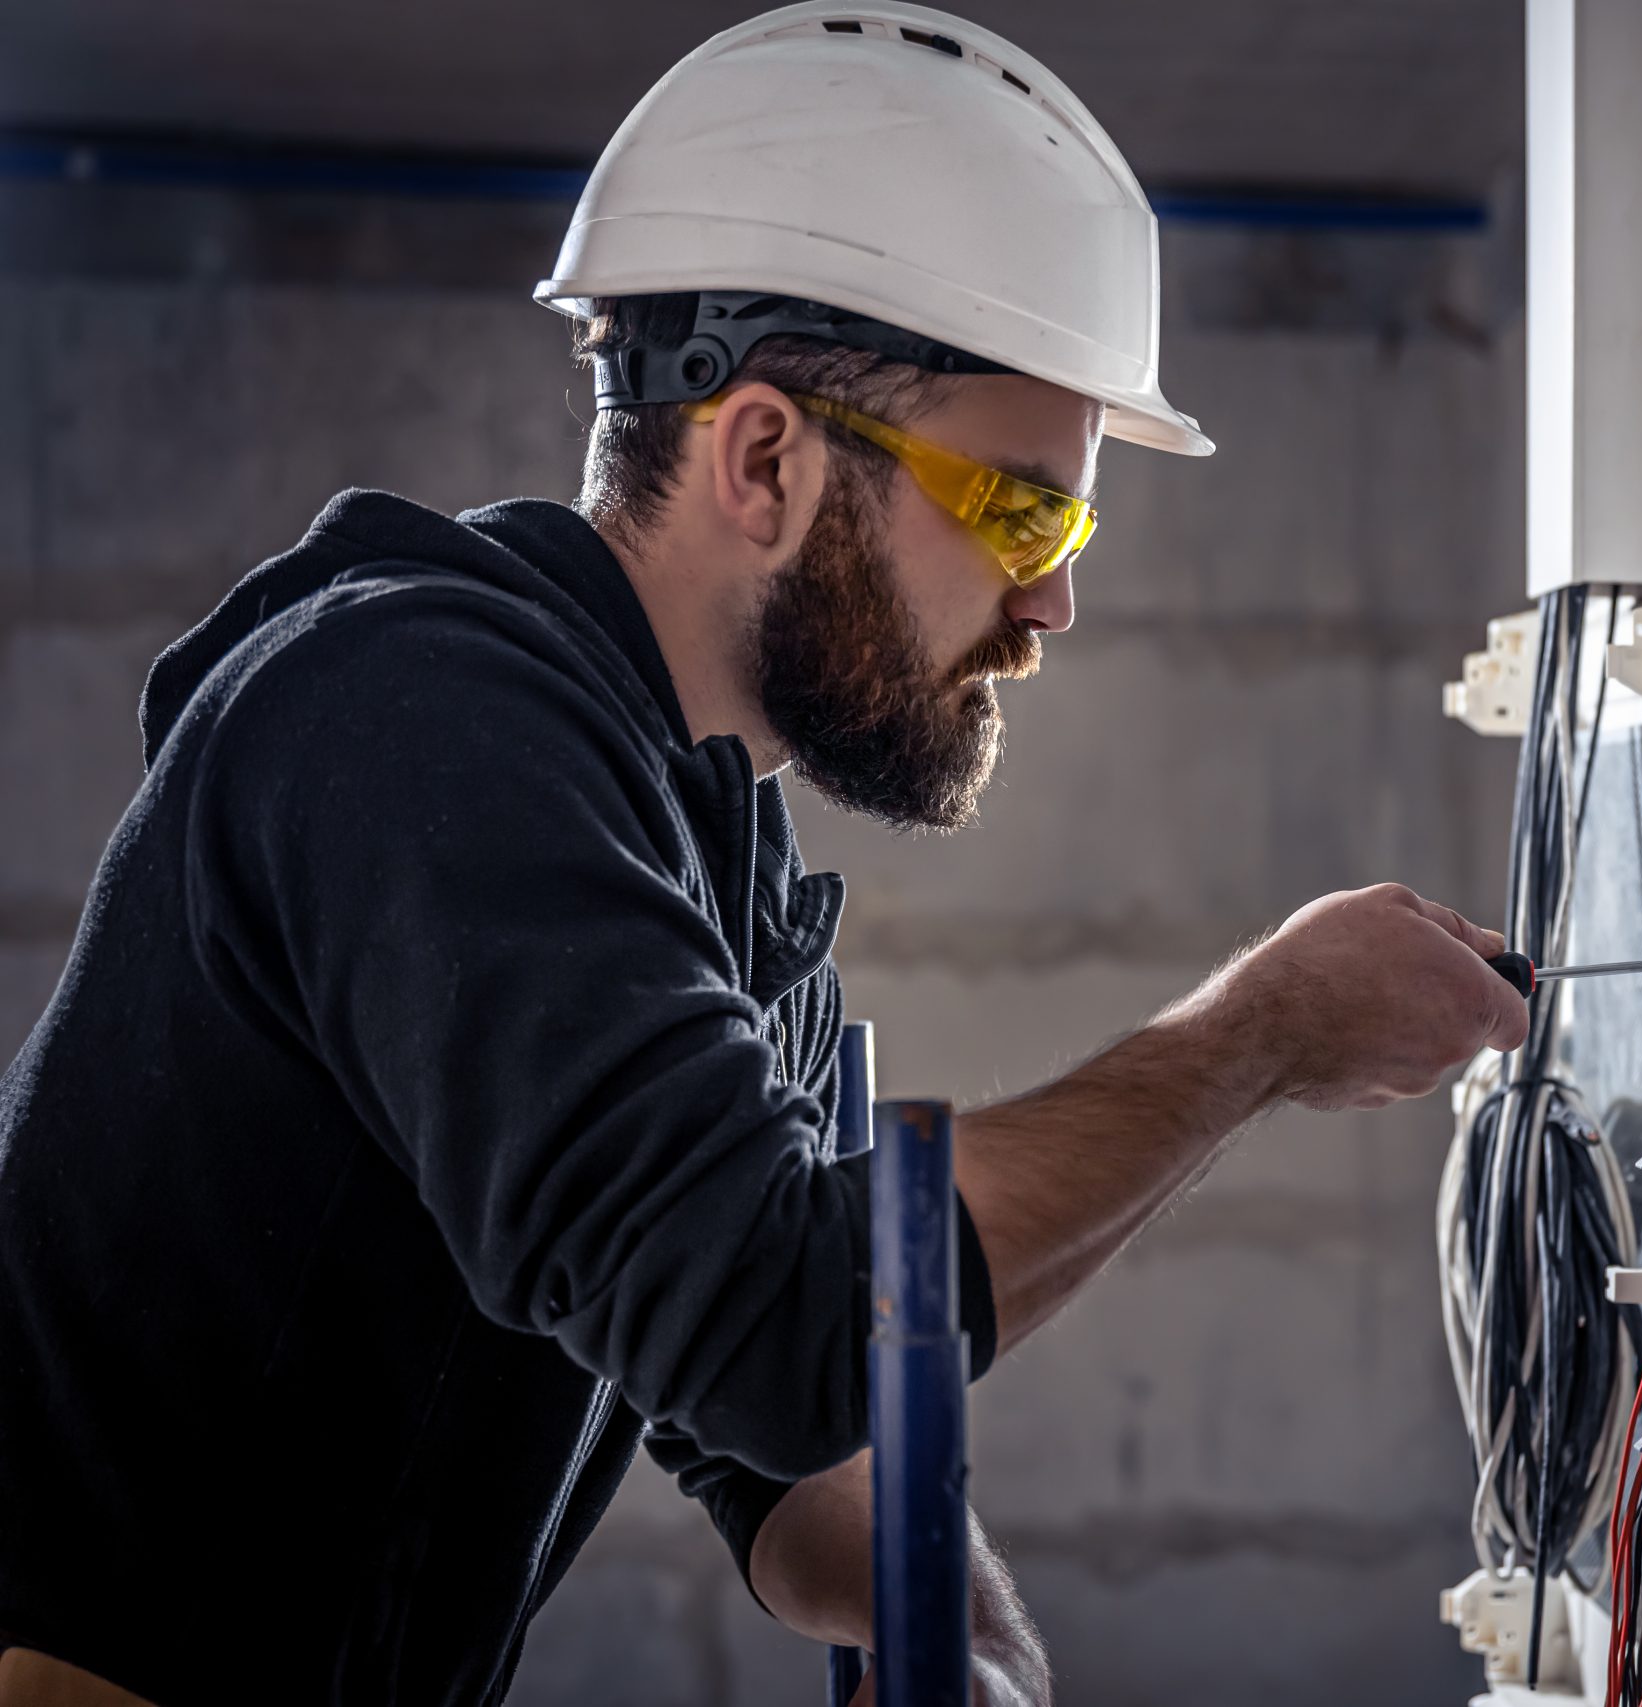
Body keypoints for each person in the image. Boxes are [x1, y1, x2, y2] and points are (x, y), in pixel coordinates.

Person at [0, 6, 1528, 1704]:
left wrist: (957, 1632)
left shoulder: (694, 856)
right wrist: (1256, 1035)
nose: (1055, 602)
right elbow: (788, 1317)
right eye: (1023, 512)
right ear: (765, 456)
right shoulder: (414, 726)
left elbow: (776, 1423)